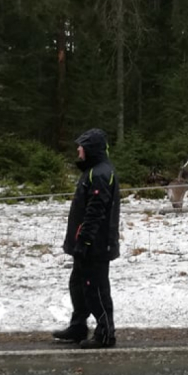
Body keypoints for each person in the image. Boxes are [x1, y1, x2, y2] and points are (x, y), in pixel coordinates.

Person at [53, 128, 121, 349]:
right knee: (78, 285)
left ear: (90, 149)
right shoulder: (92, 171)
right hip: (84, 244)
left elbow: (96, 212)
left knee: (96, 288)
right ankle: (78, 325)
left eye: (81, 146)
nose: (78, 150)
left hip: (95, 245)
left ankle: (105, 333)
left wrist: (85, 241)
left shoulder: (100, 174)